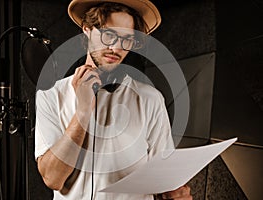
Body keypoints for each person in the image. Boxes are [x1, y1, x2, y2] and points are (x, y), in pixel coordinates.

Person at [35, 0, 193, 199]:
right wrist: (83, 112)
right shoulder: (50, 96)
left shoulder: (151, 99)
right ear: (87, 29)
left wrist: (176, 194)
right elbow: (52, 179)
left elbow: (165, 180)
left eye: (127, 39)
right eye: (109, 35)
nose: (116, 48)